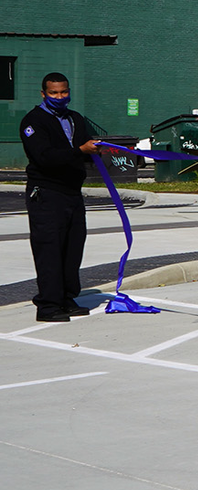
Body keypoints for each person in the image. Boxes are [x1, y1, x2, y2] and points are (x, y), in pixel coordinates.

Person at [21, 73, 108, 323]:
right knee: (49, 249)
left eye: (64, 92)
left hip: (72, 193)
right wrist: (80, 150)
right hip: (46, 193)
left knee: (72, 247)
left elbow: (84, 149)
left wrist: (96, 150)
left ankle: (67, 298)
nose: (59, 97)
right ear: (43, 94)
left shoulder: (75, 118)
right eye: (54, 93)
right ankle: (48, 305)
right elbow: (45, 156)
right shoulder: (33, 121)